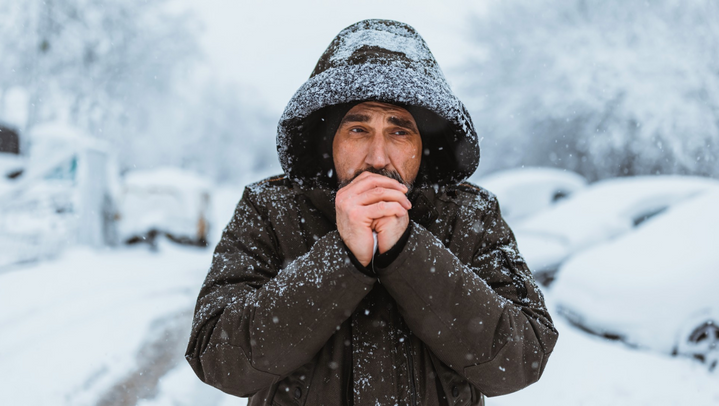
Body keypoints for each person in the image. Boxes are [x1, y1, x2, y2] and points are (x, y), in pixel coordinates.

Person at [186, 19, 558, 406]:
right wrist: (342, 257)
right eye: (358, 130)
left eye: (399, 131)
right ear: (328, 140)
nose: (378, 158)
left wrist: (407, 252)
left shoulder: (470, 215)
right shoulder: (270, 209)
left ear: (424, 146)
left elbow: (522, 359)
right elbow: (218, 359)